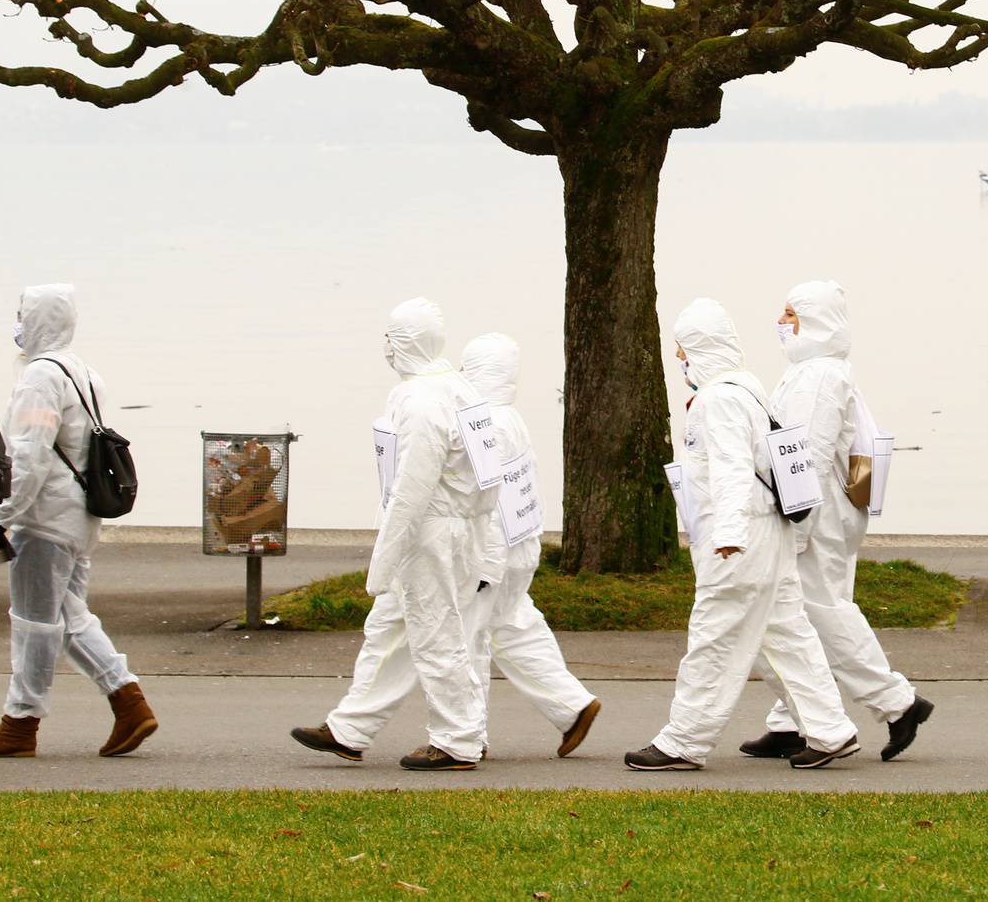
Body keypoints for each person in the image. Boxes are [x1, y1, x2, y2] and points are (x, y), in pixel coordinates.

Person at [626, 298, 855, 772]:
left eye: (682, 348)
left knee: (714, 636)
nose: (678, 358)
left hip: (740, 540)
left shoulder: (718, 400)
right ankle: (830, 729)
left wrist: (727, 535)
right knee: (787, 635)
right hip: (764, 533)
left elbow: (731, 469)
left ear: (700, 348)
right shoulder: (747, 389)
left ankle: (684, 740)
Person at [291, 298, 496, 771]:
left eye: (389, 337)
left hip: (431, 532)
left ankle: (458, 740)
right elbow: (489, 474)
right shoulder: (460, 388)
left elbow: (413, 486)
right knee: (390, 630)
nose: (384, 346)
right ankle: (351, 728)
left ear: (403, 343)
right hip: (459, 527)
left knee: (435, 633)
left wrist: (384, 556)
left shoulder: (421, 400)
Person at [738, 282, 933, 764]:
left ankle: (897, 703)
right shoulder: (812, 370)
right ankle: (792, 720)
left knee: (819, 611)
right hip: (825, 508)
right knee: (800, 614)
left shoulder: (818, 376)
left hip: (818, 513)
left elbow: (808, 451)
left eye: (790, 313)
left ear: (814, 318)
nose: (781, 321)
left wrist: (796, 526)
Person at [0, 285, 156, 760]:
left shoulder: (40, 377)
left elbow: (30, 453)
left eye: (21, 314)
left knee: (34, 621)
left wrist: (3, 517)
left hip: (46, 516)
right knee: (69, 614)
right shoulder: (82, 370)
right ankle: (128, 700)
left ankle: (21, 723)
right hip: (79, 513)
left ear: (37, 320)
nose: (17, 323)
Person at [460, 333, 601, 756]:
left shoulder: (484, 425)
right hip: (520, 546)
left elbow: (486, 499)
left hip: (494, 552)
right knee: (514, 626)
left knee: (467, 640)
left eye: (467, 369)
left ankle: (464, 736)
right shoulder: (511, 418)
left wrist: (484, 564)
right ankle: (572, 706)